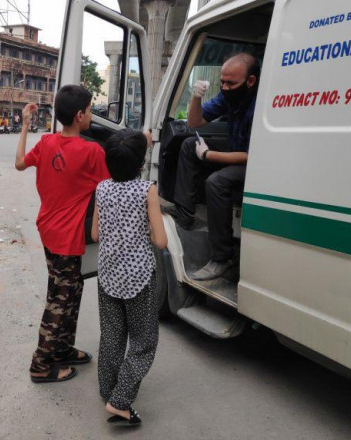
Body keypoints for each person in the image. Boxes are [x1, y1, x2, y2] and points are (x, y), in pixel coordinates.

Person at [15, 85, 110, 383]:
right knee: (59, 299)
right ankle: (41, 365)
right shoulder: (92, 151)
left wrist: (25, 126)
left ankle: (63, 349)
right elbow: (109, 188)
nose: (92, 115)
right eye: (91, 110)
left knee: (72, 291)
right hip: (68, 238)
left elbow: (19, 164)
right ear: (80, 115)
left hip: (48, 230)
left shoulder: (45, 142)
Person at [90, 129, 167, 426]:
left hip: (107, 275)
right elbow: (160, 241)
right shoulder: (147, 189)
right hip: (138, 279)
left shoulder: (102, 188)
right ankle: (120, 401)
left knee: (111, 336)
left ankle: (107, 389)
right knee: (143, 342)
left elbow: (95, 234)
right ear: (141, 163)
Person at [171, 52, 259, 281]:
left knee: (217, 182)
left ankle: (223, 257)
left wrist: (210, 155)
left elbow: (251, 156)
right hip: (237, 149)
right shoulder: (228, 96)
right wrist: (196, 98)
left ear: (251, 81)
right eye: (222, 82)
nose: (226, 87)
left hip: (257, 164)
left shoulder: (259, 104)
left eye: (231, 83)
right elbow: (194, 123)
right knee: (190, 144)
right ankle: (185, 213)